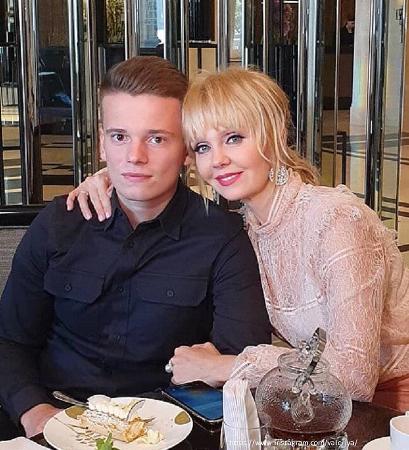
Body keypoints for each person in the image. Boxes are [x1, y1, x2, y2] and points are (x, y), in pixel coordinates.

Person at [72, 67, 409, 412]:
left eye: (234, 138)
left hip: (391, 405)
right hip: (322, 403)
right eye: (203, 147)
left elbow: (355, 376)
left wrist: (225, 366)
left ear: (272, 134)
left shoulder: (336, 219)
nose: (218, 160)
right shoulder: (246, 229)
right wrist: (115, 178)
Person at [0, 58, 272, 438]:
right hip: (53, 415)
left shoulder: (223, 238)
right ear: (101, 142)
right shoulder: (59, 224)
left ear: (186, 150)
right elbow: (10, 340)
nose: (135, 156)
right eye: (119, 137)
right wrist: (35, 413)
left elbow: (239, 365)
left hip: (169, 430)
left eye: (156, 139)